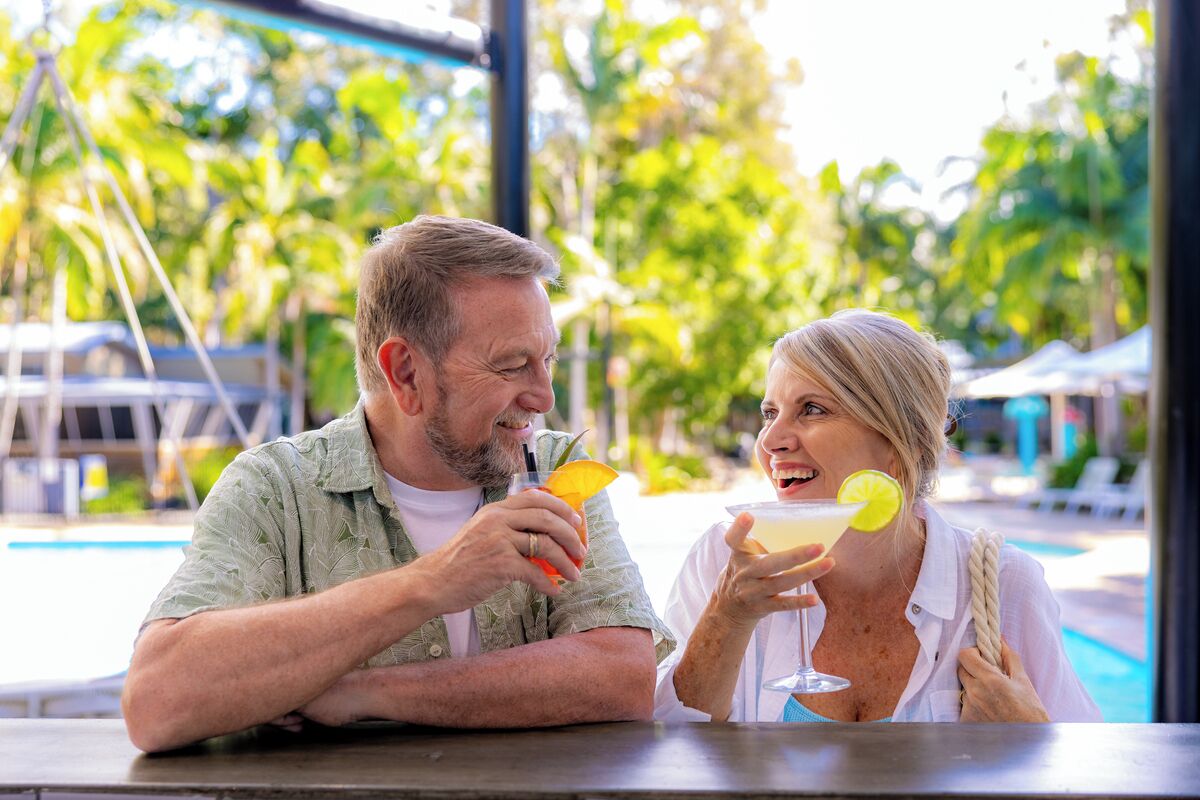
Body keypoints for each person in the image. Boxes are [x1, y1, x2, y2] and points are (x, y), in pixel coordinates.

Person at [123, 216, 673, 752]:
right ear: (405, 372)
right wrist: (434, 580)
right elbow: (157, 702)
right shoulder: (276, 488)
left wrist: (365, 693)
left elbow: (623, 676)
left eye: (547, 359)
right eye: (511, 365)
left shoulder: (557, 468)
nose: (544, 396)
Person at [655, 309, 1100, 723]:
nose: (770, 442)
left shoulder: (1001, 583)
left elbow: (1092, 765)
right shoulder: (724, 560)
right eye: (770, 413)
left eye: (812, 409)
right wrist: (726, 619)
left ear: (899, 440)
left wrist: (1033, 734)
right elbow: (661, 746)